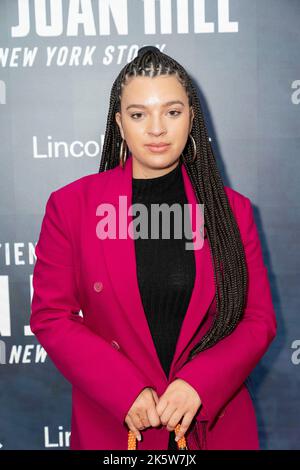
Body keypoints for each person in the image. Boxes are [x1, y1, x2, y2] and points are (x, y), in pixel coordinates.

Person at [30, 46, 277, 450]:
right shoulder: (71, 206)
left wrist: (200, 384)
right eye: (139, 114)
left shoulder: (233, 211)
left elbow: (258, 319)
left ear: (191, 118)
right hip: (115, 428)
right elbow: (51, 315)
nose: (157, 128)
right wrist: (122, 389)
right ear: (120, 124)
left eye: (172, 112)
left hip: (212, 430)